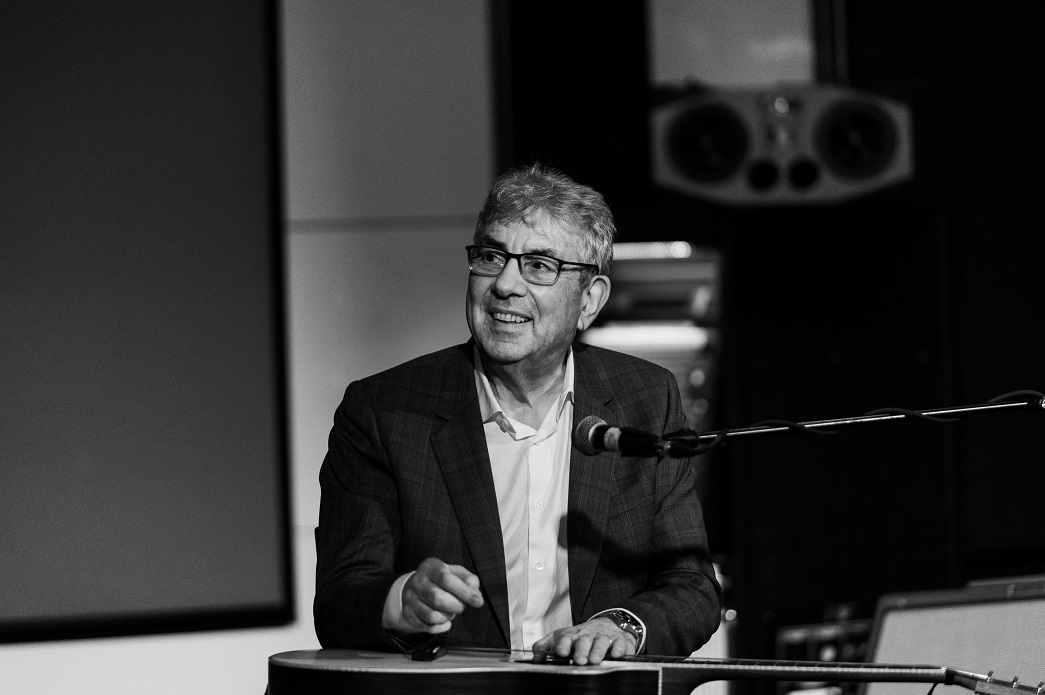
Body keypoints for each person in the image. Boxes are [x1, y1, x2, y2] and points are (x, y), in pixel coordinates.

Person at [314, 163, 721, 665]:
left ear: (589, 301)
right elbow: (339, 600)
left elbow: (692, 586)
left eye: (539, 266)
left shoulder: (646, 398)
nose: (505, 284)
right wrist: (403, 601)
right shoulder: (384, 412)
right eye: (491, 257)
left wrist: (624, 627)